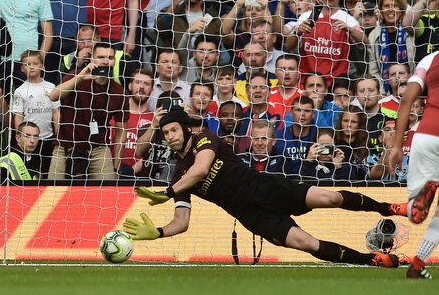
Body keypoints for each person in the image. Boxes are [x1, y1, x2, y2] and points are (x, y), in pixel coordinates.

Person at [124, 108, 408, 269]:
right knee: (306, 243)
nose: (170, 136)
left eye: (173, 129)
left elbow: (201, 168)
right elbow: (182, 222)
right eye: (165, 133)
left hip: (267, 188)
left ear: (186, 129)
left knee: (330, 197)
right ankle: (372, 260)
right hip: (253, 216)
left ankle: (391, 208)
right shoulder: (178, 173)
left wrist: (167, 193)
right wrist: (159, 232)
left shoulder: (204, 139)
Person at [389, 50, 439, 279]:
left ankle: (417, 265)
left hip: (426, 135)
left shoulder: (431, 58)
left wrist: (397, 145)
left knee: (413, 213)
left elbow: (407, 99)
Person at [48, 42, 129, 180]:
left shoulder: (119, 91)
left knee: (108, 193)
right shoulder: (77, 76)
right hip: (66, 146)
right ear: (92, 59)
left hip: (99, 148)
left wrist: (116, 166)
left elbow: (121, 132)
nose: (105, 61)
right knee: (53, 192)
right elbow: (53, 95)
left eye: (109, 57)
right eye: (101, 57)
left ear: (115, 61)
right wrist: (79, 77)